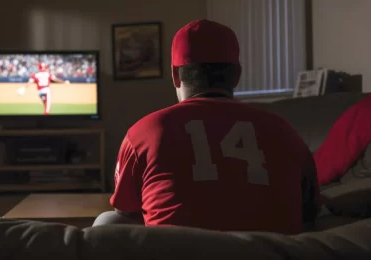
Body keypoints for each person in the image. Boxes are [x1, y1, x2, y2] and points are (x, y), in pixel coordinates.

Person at [93, 19, 321, 233]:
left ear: (175, 75)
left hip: (177, 250)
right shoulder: (284, 131)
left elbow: (125, 210)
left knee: (107, 221)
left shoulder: (144, 132)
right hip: (268, 251)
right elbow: (310, 211)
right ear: (237, 76)